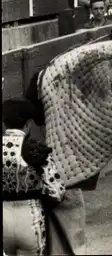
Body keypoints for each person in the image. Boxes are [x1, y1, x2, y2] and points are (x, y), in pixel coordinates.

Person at [2, 98, 65, 256]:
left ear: (4, 124)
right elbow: (57, 191)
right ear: (29, 124)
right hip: (30, 217)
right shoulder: (36, 150)